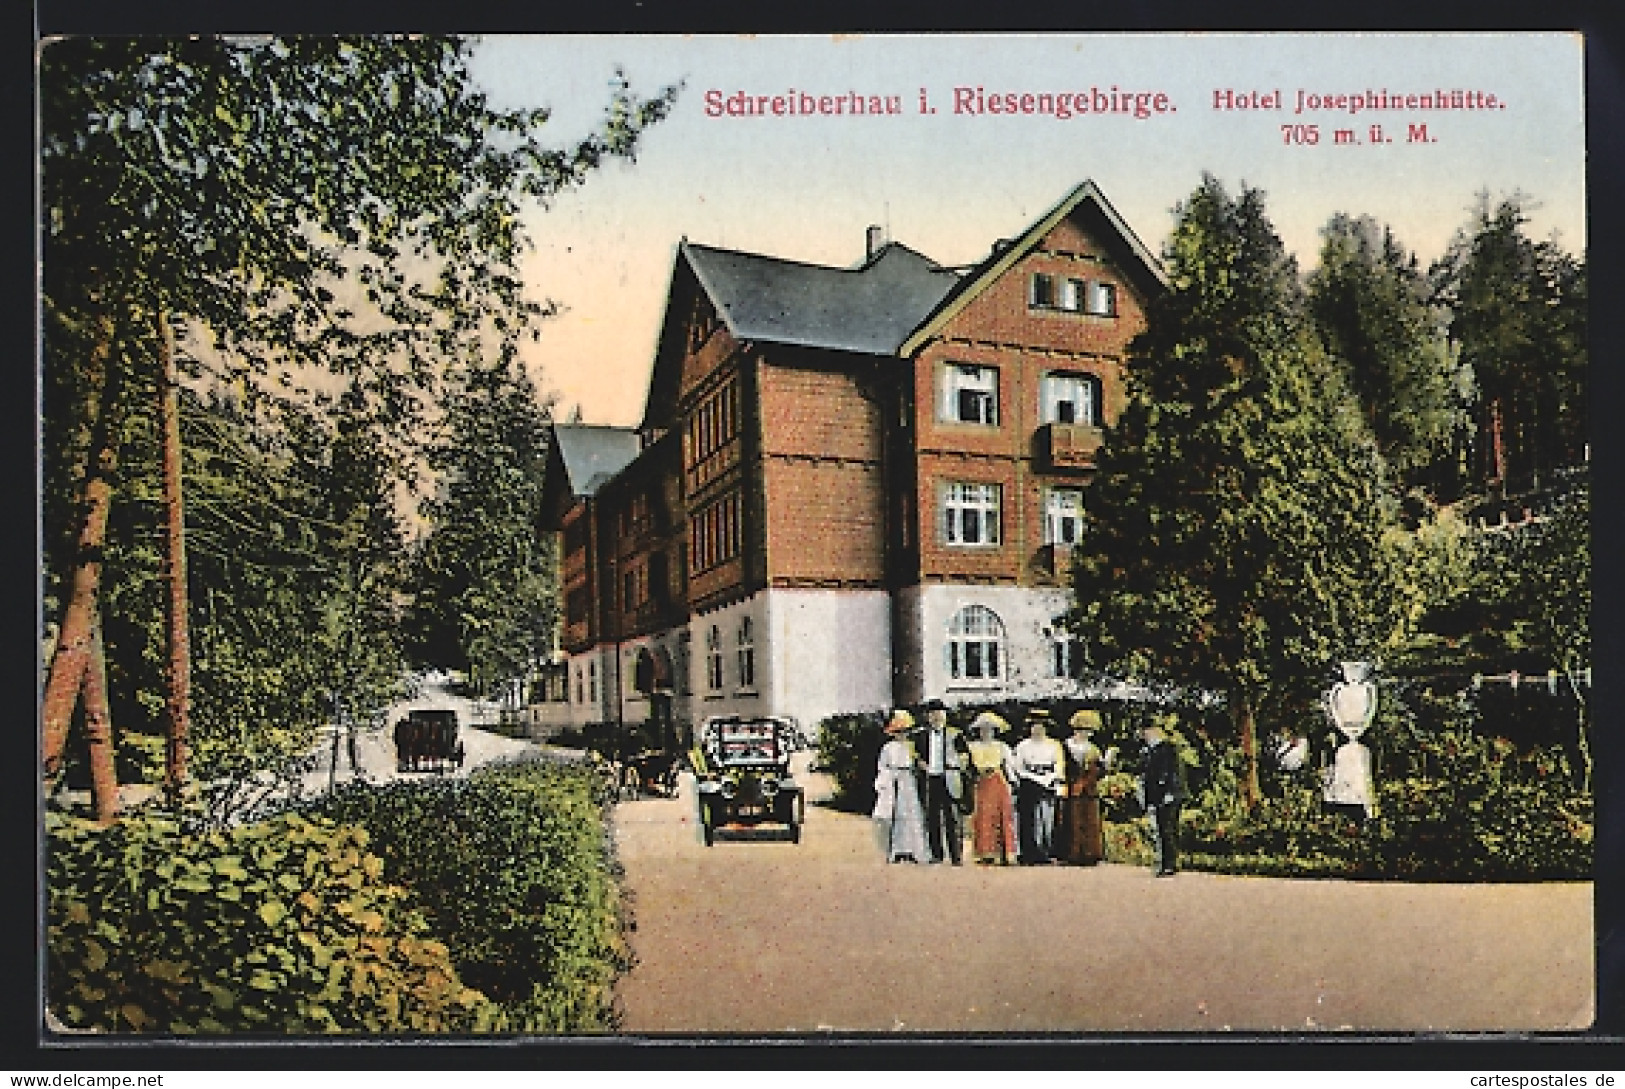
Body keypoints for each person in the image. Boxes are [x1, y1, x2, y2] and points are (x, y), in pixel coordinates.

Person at [911, 700, 971, 865]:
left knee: (953, 818)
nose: (936, 716)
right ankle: (936, 854)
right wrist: (921, 763)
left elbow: (965, 756)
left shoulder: (955, 734)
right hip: (931, 778)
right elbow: (916, 755)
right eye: (933, 713)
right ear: (928, 716)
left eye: (939, 713)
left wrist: (955, 765)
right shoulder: (921, 735)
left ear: (945, 715)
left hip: (949, 777)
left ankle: (956, 855)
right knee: (932, 818)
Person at [872, 710, 927, 863]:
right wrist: (887, 781)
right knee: (896, 815)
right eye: (898, 732)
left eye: (904, 731)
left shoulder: (911, 747)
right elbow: (883, 766)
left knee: (911, 813)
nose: (901, 735)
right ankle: (897, 849)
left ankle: (912, 849)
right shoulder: (888, 748)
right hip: (894, 781)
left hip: (908, 781)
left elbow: (916, 763)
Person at [1012, 709, 1065, 864]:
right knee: (1028, 821)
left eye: (1041, 726)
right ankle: (1029, 853)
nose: (1037, 729)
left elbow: (1059, 766)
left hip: (1048, 784)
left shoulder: (1054, 746)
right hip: (1028, 784)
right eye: (1034, 725)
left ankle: (1046, 851)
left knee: (1047, 820)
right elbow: (1018, 767)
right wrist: (1029, 778)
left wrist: (1051, 779)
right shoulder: (1022, 746)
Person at [967, 711, 1018, 865]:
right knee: (983, 816)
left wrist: (1013, 782)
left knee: (1001, 816)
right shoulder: (972, 747)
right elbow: (968, 767)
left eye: (989, 729)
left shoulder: (1002, 747)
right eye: (983, 729)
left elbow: (1008, 766)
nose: (986, 732)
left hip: (997, 781)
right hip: (981, 782)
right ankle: (984, 851)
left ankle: (1004, 853)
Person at [1138, 715, 1187, 877]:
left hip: (1168, 795)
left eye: (1145, 732)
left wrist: (1169, 792)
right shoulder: (1150, 751)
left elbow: (1172, 773)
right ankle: (1165, 862)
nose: (1144, 736)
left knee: (1167, 828)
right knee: (1162, 829)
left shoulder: (1168, 749)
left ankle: (1170, 864)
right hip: (1159, 796)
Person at [1058, 709, 1108, 865]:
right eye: (1082, 730)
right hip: (1073, 786)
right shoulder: (1066, 746)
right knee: (1072, 820)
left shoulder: (1093, 749)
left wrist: (1102, 767)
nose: (1085, 734)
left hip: (1089, 789)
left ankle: (1090, 854)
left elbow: (1099, 770)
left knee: (1090, 820)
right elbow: (1063, 767)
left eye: (1088, 731)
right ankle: (1072, 854)